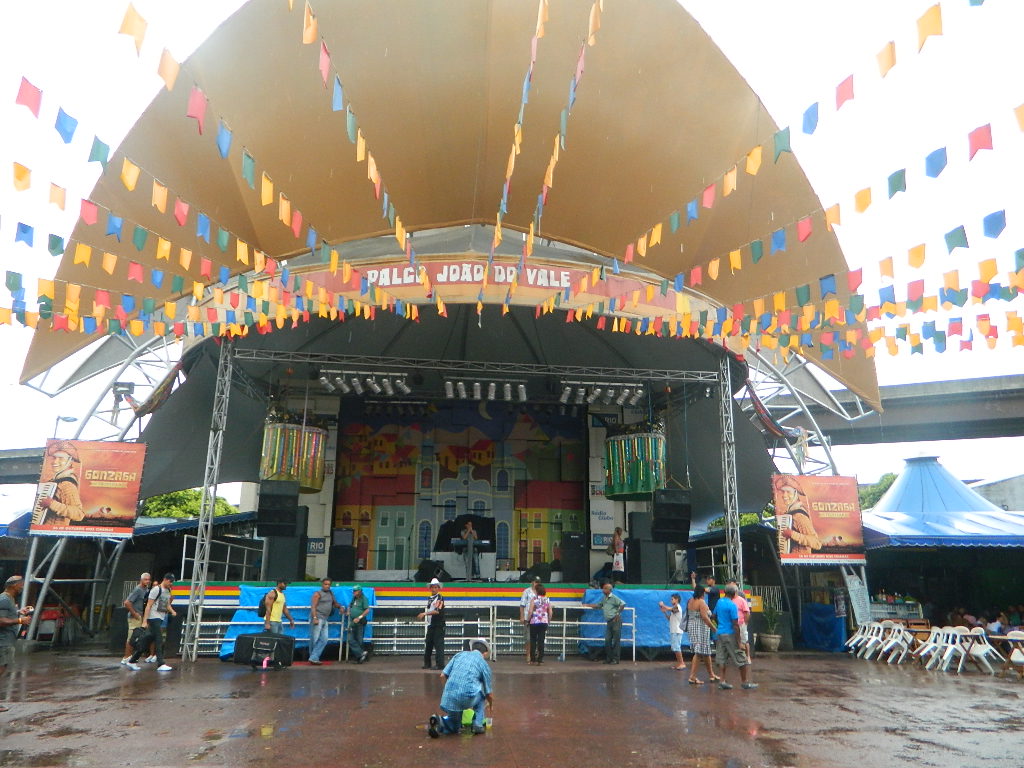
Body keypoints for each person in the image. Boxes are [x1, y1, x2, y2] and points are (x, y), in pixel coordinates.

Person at [427, 637, 493, 737]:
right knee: (482, 691)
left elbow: (442, 676)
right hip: (467, 697)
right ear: (485, 653)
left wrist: (448, 691)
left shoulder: (459, 655)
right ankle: (477, 725)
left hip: (449, 697)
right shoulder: (484, 664)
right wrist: (490, 704)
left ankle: (439, 722)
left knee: (454, 726)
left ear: (471, 649)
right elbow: (489, 693)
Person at [126, 573, 177, 672]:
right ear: (165, 579)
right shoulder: (156, 590)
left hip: (160, 617)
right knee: (159, 639)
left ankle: (132, 661)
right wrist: (145, 621)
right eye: (170, 582)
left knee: (146, 641)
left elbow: (166, 604)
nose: (171, 584)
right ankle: (161, 663)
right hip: (154, 617)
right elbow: (149, 605)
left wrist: (172, 611)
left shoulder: (168, 590)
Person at [712, 584, 756, 690]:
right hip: (730, 633)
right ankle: (744, 682)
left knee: (722, 658)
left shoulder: (719, 602)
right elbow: (735, 625)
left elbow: (714, 616)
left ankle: (722, 681)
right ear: (734, 593)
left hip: (720, 633)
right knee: (741, 657)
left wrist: (720, 625)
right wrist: (739, 641)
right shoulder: (732, 605)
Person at [0, 576, 34, 712]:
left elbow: (7, 615)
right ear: (14, 585)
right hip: (2, 641)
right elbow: (1, 620)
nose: (22, 587)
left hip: (6, 640)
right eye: (21, 585)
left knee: (2, 669)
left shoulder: (8, 599)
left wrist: (19, 612)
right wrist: (20, 620)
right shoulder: (4, 599)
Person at [37, 441, 85, 524]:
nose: (55, 462)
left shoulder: (67, 485)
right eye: (54, 458)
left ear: (70, 461)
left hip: (54, 533)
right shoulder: (55, 481)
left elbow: (79, 514)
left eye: (61, 458)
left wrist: (52, 504)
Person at [775, 476, 822, 556]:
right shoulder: (789, 512)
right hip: (792, 562)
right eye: (783, 491)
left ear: (796, 493)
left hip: (800, 563)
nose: (784, 495)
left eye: (788, 492)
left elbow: (817, 543)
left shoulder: (799, 515)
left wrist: (792, 534)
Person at [582, 582, 626, 664]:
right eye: (603, 588)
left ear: (609, 590)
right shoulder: (604, 598)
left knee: (616, 640)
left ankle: (616, 659)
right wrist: (587, 605)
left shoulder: (614, 598)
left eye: (605, 588)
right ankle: (609, 658)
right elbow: (599, 605)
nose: (603, 589)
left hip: (615, 621)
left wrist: (617, 614)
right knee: (607, 640)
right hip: (609, 621)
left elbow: (622, 604)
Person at [685, 585, 718, 685]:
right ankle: (692, 677)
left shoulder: (690, 601)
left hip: (693, 627)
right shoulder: (701, 602)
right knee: (699, 653)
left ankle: (711, 674)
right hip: (700, 629)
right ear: (702, 593)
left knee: (706, 652)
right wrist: (714, 628)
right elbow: (705, 617)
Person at [121, 572, 153, 665]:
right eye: (145, 579)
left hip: (141, 616)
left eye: (148, 579)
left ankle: (130, 656)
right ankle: (126, 657)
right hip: (135, 617)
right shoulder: (138, 589)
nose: (147, 581)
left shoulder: (146, 589)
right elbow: (127, 602)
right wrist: (134, 613)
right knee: (131, 637)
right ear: (141, 580)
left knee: (137, 637)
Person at [308, 578, 339, 665]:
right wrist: (314, 617)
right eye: (325, 584)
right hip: (318, 617)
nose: (327, 586)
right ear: (322, 584)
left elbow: (335, 603)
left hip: (325, 618)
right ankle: (313, 657)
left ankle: (313, 657)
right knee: (315, 638)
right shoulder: (317, 594)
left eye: (329, 584)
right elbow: (313, 606)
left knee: (324, 639)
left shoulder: (330, 593)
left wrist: (340, 607)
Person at [417, 578, 446, 670]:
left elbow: (437, 611)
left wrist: (424, 614)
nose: (434, 589)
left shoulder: (440, 598)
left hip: (438, 624)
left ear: (438, 588)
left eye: (435, 587)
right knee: (428, 643)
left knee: (438, 645)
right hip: (432, 624)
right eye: (432, 587)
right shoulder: (430, 599)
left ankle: (440, 664)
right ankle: (427, 663)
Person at [658, 593, 687, 670]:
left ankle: (682, 663)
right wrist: (664, 612)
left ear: (677, 599)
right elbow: (669, 618)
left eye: (672, 599)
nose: (671, 601)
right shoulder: (674, 609)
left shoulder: (677, 607)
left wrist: (663, 605)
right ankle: (680, 663)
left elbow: (670, 608)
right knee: (675, 648)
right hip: (674, 630)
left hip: (677, 630)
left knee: (677, 648)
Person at [527, 584, 552, 664]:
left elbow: (530, 611)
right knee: (541, 640)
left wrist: (528, 620)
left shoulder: (534, 599)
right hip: (544, 621)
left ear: (537, 591)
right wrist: (548, 620)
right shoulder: (547, 600)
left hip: (534, 622)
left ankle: (533, 659)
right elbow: (550, 612)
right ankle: (540, 660)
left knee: (533, 640)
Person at [727, 579, 752, 662]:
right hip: (732, 624)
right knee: (735, 642)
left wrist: (745, 623)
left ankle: (747, 657)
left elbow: (747, 611)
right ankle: (738, 658)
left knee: (744, 640)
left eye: (732, 585)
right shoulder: (728, 599)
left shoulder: (741, 597)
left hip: (741, 624)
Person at [519, 576, 541, 663]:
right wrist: (521, 616)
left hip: (538, 618)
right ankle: (528, 655)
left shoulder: (541, 591)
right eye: (535, 582)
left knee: (538, 638)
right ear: (532, 582)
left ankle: (536, 655)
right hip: (528, 617)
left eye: (538, 582)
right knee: (528, 638)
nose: (536, 584)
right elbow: (522, 605)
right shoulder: (526, 591)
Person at [347, 585, 371, 663]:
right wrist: (348, 611)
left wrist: (359, 617)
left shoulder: (364, 599)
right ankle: (361, 654)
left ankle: (359, 657)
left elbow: (367, 610)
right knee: (350, 639)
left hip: (359, 622)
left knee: (359, 640)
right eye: (353, 591)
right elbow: (350, 606)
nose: (353, 592)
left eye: (355, 591)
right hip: (352, 621)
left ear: (360, 591)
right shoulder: (354, 598)